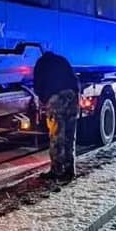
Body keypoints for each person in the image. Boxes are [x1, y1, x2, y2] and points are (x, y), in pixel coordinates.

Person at [33, 51, 80, 181]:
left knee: (57, 136)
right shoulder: (62, 60)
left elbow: (38, 85)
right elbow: (75, 80)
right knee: (70, 136)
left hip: (56, 99)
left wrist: (45, 101)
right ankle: (70, 170)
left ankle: (57, 170)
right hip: (72, 97)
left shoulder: (42, 63)